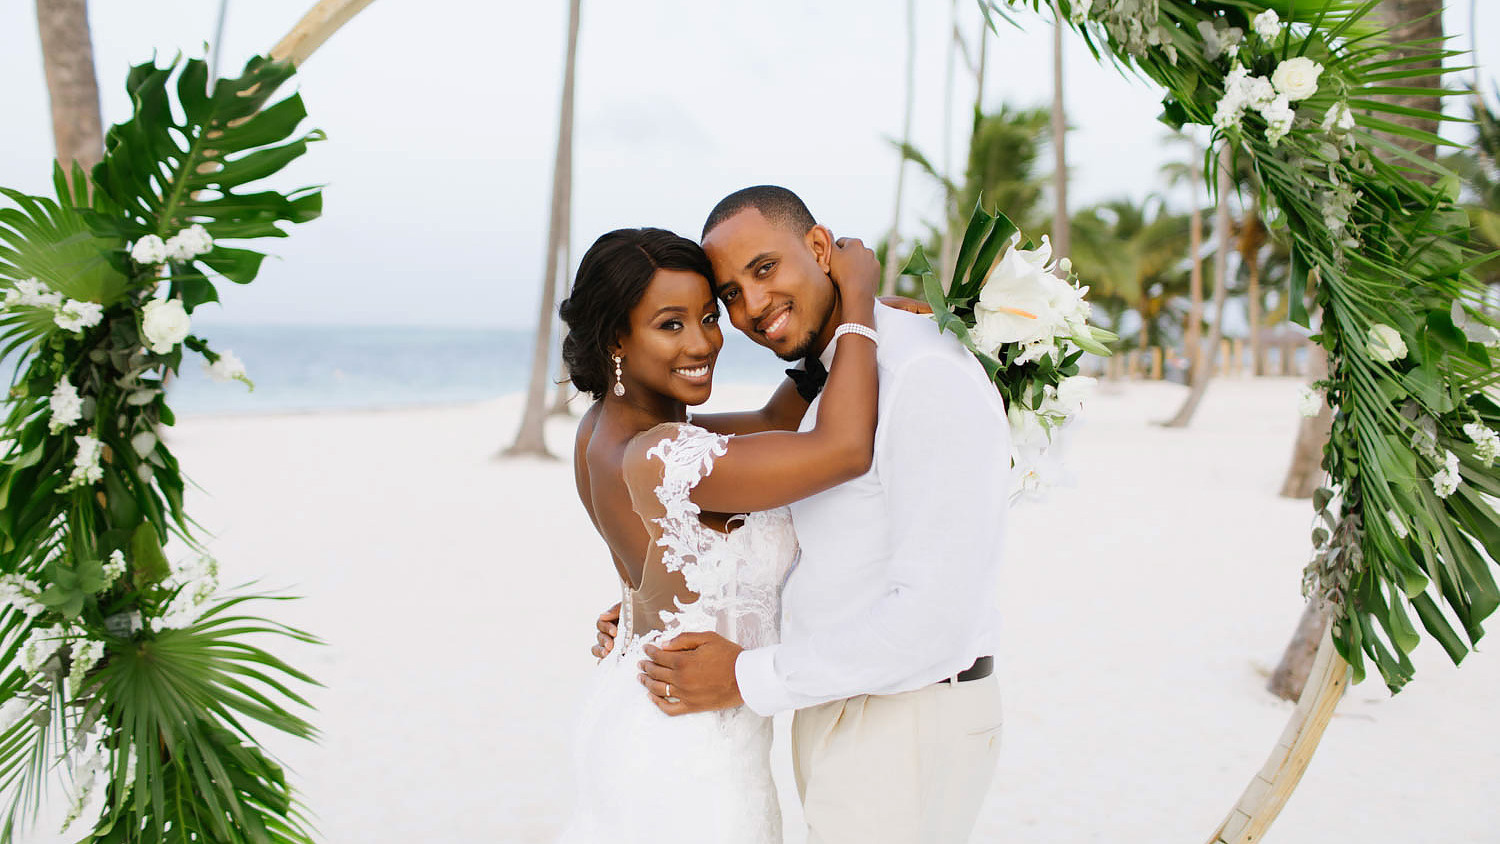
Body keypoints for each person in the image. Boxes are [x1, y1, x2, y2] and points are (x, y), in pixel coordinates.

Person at [598, 186, 1012, 842]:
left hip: (905, 713)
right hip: (833, 708)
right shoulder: (839, 379)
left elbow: (934, 614)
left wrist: (745, 674)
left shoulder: (920, 372)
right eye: (731, 295)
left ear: (821, 249)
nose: (751, 308)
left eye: (764, 270)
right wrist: (670, 606)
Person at [557, 224, 883, 843]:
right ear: (616, 338)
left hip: (638, 707)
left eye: (709, 316)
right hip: (690, 751)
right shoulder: (664, 455)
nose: (704, 341)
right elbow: (842, 449)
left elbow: (771, 420)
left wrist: (835, 322)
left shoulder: (599, 430)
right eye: (671, 324)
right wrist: (860, 301)